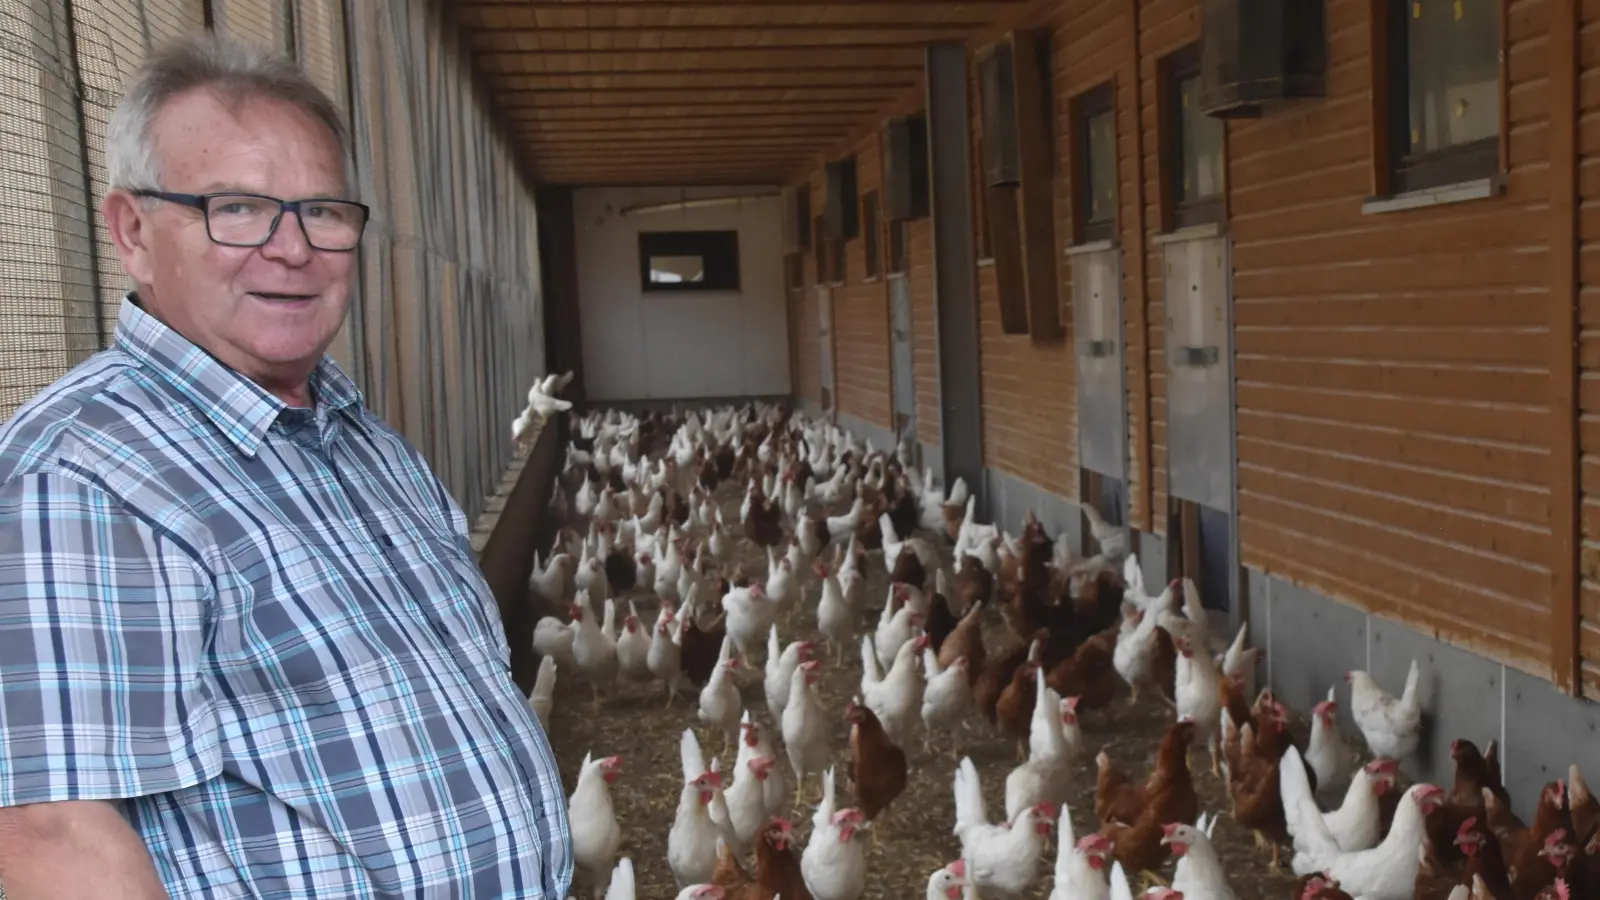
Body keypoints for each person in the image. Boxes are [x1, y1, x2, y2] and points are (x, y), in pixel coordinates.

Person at [0, 31, 571, 899]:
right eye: (236, 207)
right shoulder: (79, 476)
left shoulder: (368, 446)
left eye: (326, 212)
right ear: (132, 231)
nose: (293, 248)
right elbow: (50, 842)